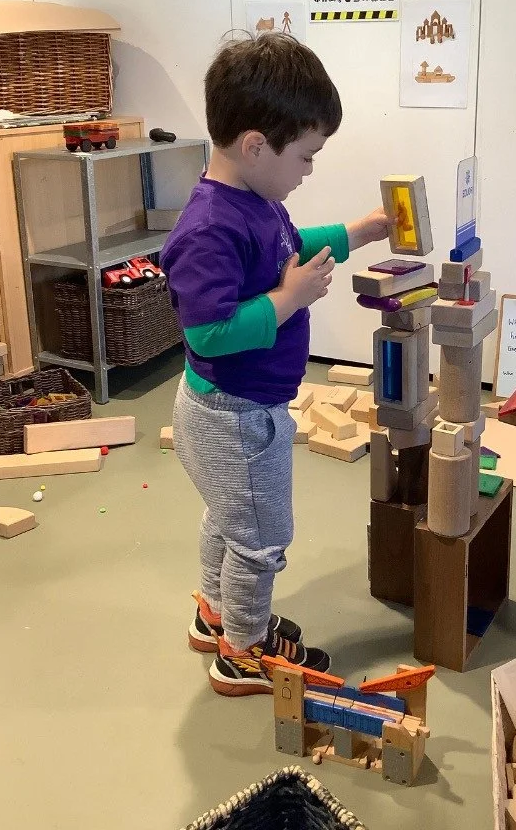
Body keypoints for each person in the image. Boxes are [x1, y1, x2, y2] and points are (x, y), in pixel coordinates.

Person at [161, 34, 390, 696]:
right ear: (256, 145)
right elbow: (208, 332)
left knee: (228, 518)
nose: (309, 170)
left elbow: (291, 243)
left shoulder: (254, 203)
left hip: (230, 408)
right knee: (262, 536)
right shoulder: (210, 229)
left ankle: (216, 614)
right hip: (234, 416)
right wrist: (289, 299)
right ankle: (242, 651)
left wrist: (359, 232)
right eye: (306, 155)